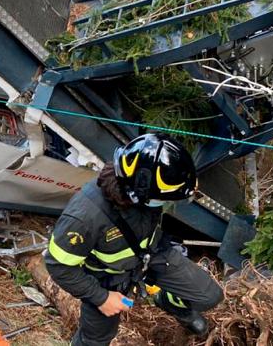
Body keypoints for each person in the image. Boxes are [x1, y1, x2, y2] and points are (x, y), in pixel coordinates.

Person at [45, 133, 223, 345]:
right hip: (107, 278)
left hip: (151, 255)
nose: (164, 205)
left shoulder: (143, 192)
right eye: (162, 200)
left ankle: (169, 302)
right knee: (95, 340)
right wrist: (101, 297)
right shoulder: (85, 217)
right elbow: (58, 266)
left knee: (208, 296)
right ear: (137, 193)